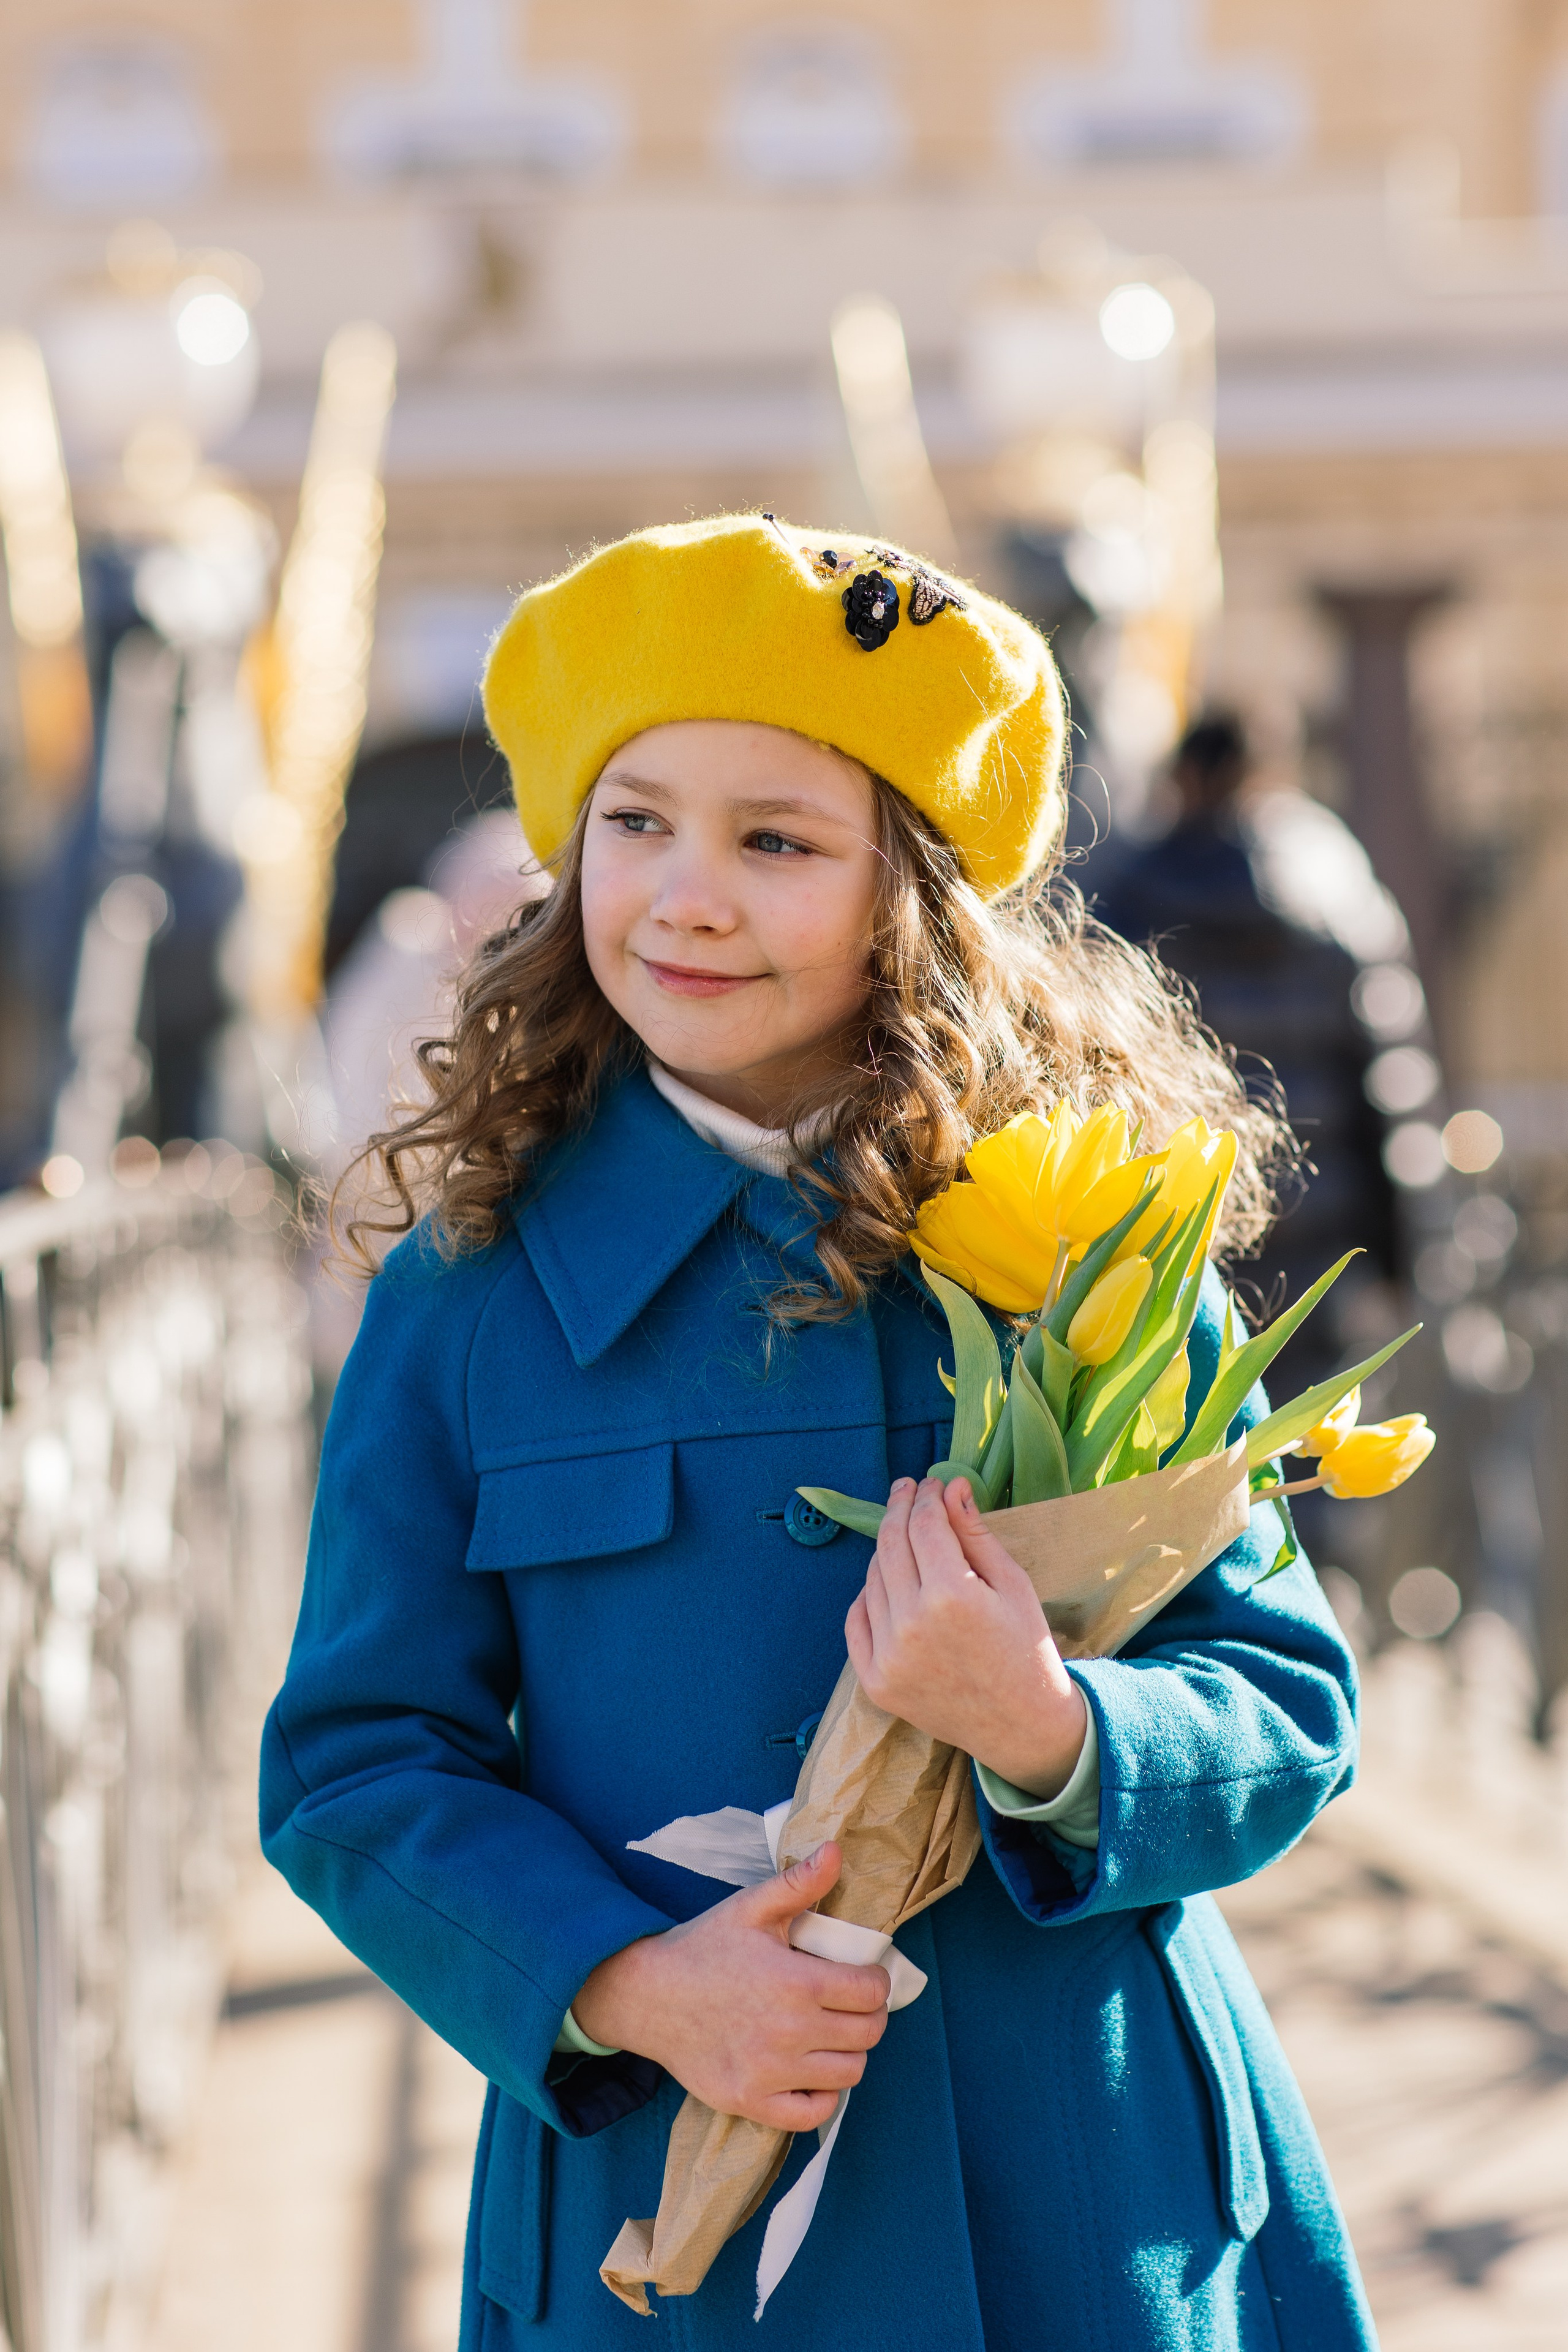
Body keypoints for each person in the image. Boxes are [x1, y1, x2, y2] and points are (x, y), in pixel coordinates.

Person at [260, 516, 1375, 2351]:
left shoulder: (1084, 1243)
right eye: (637, 823)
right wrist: (620, 1976)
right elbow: (353, 1767)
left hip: (1092, 2215)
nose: (687, 894)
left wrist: (1053, 1726)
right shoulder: (464, 1297)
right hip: (664, 2233)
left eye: (775, 840)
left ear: (909, 895)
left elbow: (1286, 1698)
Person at [1093, 713, 1401, 1411]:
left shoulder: (1125, 900)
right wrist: (1396, 1254)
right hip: (1320, 1233)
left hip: (1182, 1237)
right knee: (1313, 1449)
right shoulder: (1335, 896)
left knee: (1189, 1441)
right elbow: (1387, 1083)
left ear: (1183, 779)